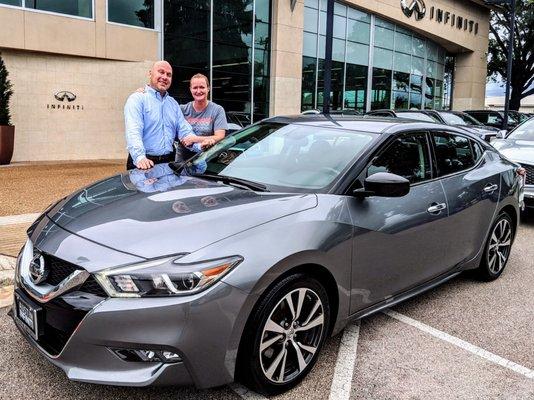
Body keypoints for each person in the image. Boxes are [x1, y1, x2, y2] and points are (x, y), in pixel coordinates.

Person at [124, 61, 202, 170]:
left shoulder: (173, 104)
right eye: (161, 72)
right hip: (144, 162)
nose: (165, 77)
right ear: (150, 74)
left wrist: (199, 145)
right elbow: (133, 131)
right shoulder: (137, 99)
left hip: (168, 161)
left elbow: (184, 130)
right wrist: (140, 157)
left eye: (168, 75)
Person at [178, 74, 228, 161]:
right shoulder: (182, 109)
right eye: (195, 88)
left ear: (208, 88)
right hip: (183, 161)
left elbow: (220, 136)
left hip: (208, 160)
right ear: (190, 89)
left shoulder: (217, 110)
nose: (198, 91)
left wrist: (195, 139)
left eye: (202, 87)